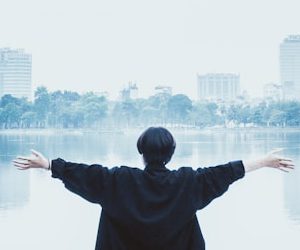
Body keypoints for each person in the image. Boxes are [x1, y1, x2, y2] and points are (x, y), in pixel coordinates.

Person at [12, 127, 294, 250]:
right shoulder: (189, 183)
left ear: (141, 152)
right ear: (172, 152)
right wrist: (264, 161)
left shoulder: (117, 182)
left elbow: (84, 173)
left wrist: (48, 164)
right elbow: (227, 172)